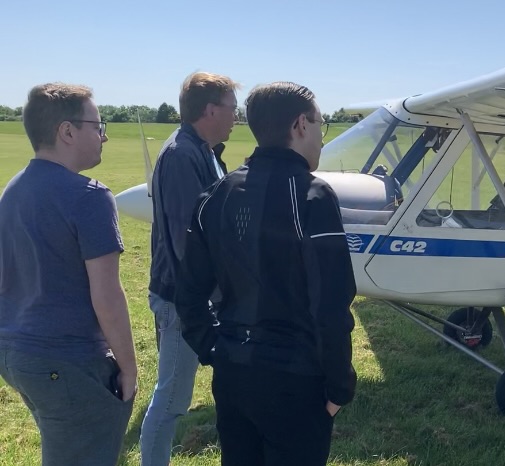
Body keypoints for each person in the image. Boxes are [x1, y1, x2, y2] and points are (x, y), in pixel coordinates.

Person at [176, 81, 357, 465]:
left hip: (233, 377)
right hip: (296, 383)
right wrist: (340, 387)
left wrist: (214, 350)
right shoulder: (315, 196)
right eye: (320, 125)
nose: (322, 140)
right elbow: (331, 305)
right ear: (300, 126)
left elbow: (188, 292)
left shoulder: (215, 194)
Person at [0, 83, 137, 465]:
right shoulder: (89, 195)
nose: (104, 135)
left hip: (17, 354)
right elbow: (107, 295)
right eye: (98, 125)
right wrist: (129, 369)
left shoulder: (14, 188)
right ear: (68, 131)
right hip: (67, 360)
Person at [141, 71, 239, 466]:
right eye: (233, 108)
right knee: (171, 400)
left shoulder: (201, 150)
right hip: (183, 300)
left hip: (194, 297)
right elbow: (188, 240)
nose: (237, 116)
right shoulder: (183, 155)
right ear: (211, 110)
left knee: (174, 396)